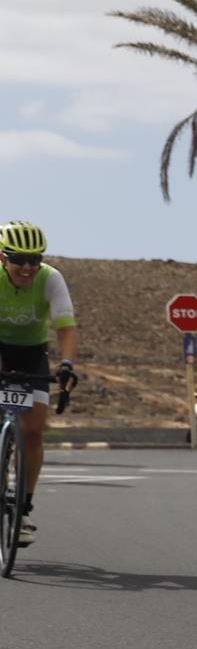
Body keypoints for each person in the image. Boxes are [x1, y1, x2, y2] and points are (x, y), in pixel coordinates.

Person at [0, 221, 79, 544]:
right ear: (2, 257)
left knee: (32, 432)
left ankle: (24, 508)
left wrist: (67, 366)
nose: (27, 267)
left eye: (34, 259)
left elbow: (66, 327)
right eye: (19, 259)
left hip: (33, 353)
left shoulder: (50, 278)